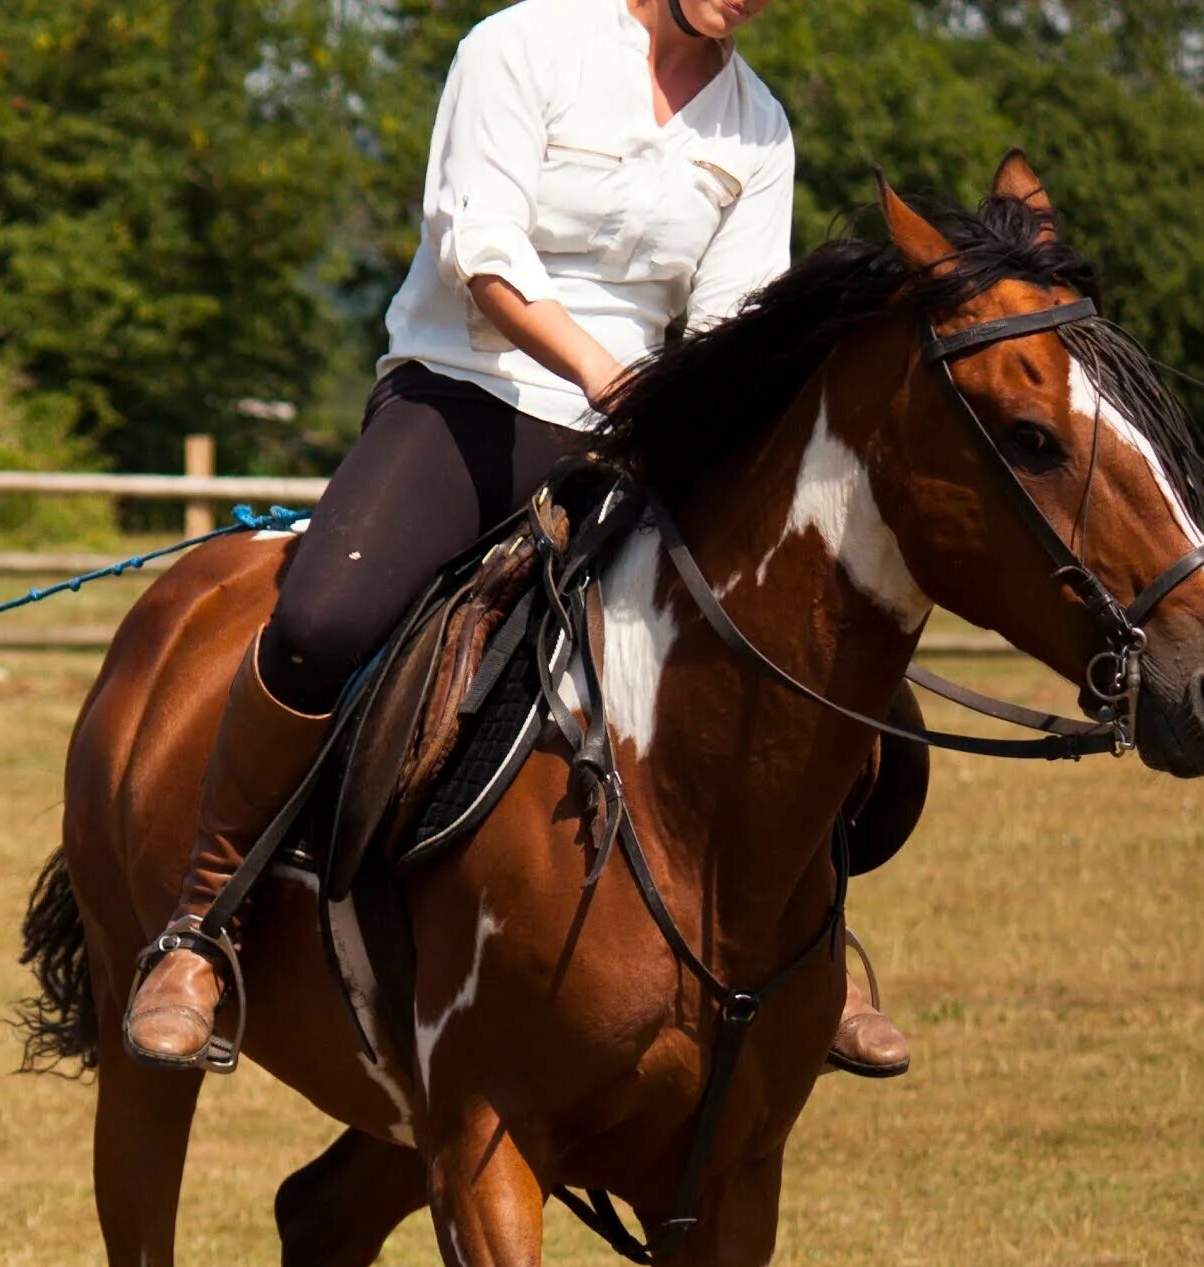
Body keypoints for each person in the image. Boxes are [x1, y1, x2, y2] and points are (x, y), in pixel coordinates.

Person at [122, 0, 913, 1080]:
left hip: (646, 428)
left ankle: (814, 949)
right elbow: (478, 251)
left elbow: (736, 318)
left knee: (808, 670)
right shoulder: (520, 45)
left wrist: (703, 416)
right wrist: (604, 375)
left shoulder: (758, 127)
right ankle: (198, 931)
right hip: (468, 399)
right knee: (321, 619)